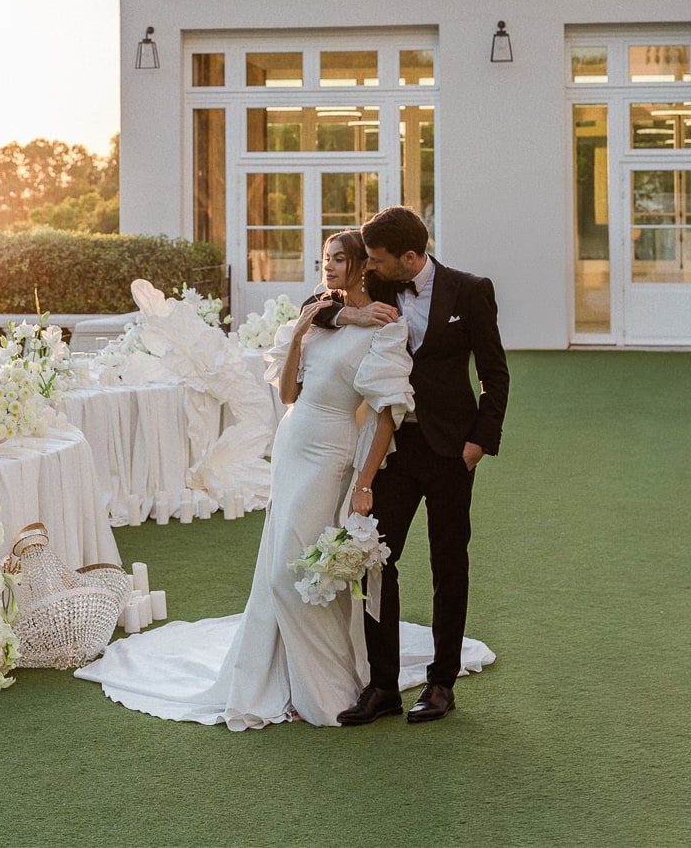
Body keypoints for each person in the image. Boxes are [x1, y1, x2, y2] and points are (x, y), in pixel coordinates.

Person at [77, 229, 494, 728]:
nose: (334, 267)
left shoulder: (431, 301)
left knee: (428, 562)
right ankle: (366, 684)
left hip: (401, 449)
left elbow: (471, 379)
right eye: (328, 259)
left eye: (346, 259)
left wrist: (475, 441)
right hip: (314, 450)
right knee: (343, 564)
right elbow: (298, 371)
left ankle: (421, 681)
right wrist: (321, 322)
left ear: (384, 262)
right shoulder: (334, 306)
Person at [337, 205, 510, 727]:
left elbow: (494, 372)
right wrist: (350, 312)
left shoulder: (470, 289)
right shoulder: (377, 282)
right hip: (392, 449)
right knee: (375, 559)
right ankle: (383, 685)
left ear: (410, 257)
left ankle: (441, 683)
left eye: (378, 259)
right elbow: (319, 302)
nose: (369, 266)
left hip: (452, 450)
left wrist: (480, 441)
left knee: (448, 562)